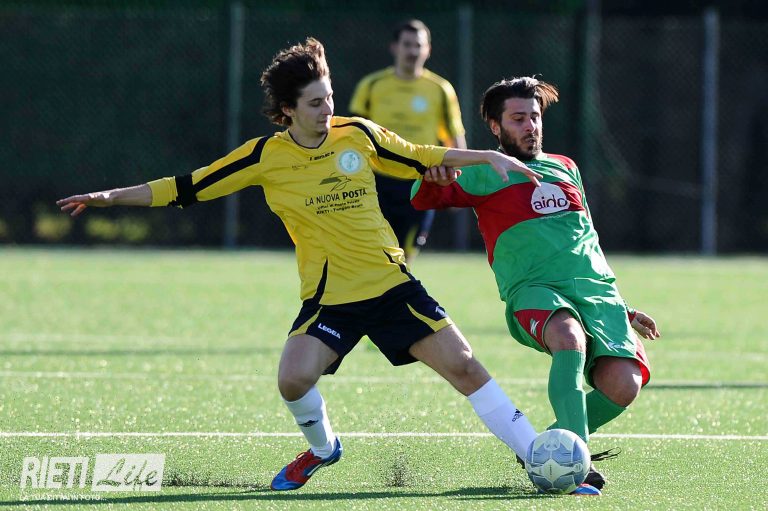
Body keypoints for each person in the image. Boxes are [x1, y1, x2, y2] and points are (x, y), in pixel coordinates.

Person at [57, 39, 548, 493]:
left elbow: (420, 155)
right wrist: (111, 197)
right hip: (330, 298)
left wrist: (486, 157)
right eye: (315, 103)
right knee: (292, 380)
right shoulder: (264, 156)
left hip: (390, 286)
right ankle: (323, 449)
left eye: (329, 98)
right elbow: (187, 187)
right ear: (287, 110)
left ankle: (537, 458)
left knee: (465, 367)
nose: (327, 110)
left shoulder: (357, 134)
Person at [411, 76, 661, 494]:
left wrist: (625, 308)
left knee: (624, 384)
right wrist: (432, 176)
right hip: (534, 289)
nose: (530, 126)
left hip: (596, 292)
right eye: (518, 119)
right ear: (496, 126)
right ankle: (578, 464)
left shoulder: (566, 167)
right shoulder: (484, 169)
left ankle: (544, 447)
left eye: (534, 117)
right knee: (568, 337)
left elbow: (586, 242)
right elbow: (422, 196)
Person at [349, 19, 466, 265]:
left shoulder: (440, 89)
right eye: (407, 44)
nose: (413, 51)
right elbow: (353, 134)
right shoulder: (372, 85)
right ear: (395, 47)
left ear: (428, 50)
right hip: (378, 179)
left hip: (421, 179)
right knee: (377, 249)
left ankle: (401, 281)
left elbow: (453, 135)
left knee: (408, 250)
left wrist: (458, 184)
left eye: (418, 45)